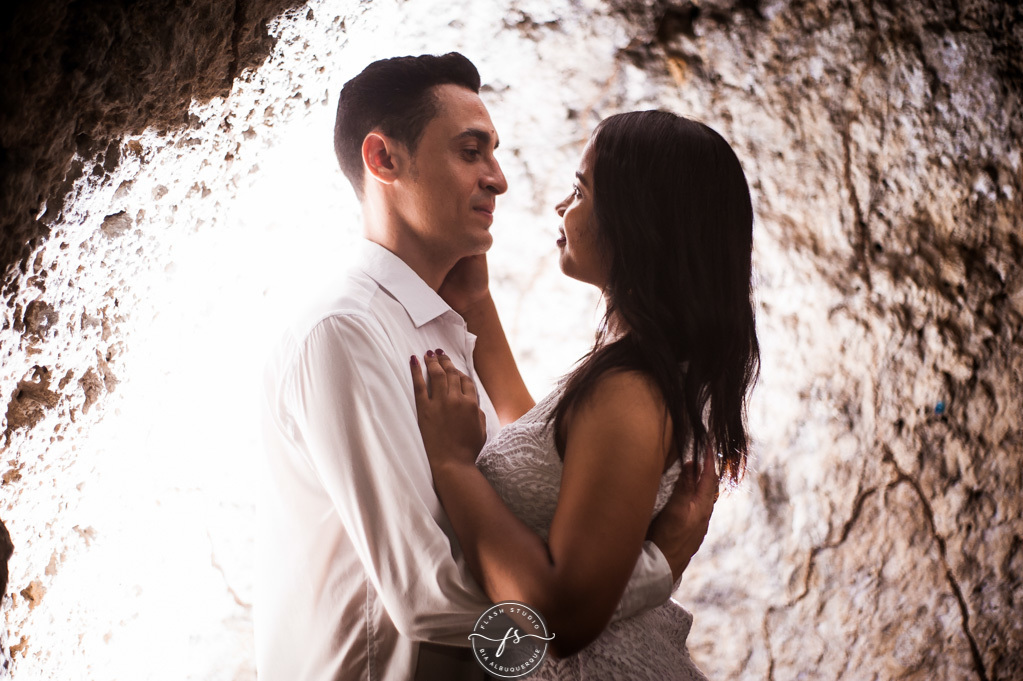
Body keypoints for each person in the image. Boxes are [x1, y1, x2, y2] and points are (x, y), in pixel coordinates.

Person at [256, 54, 717, 681]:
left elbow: (533, 487)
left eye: (494, 152)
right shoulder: (347, 331)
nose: (499, 179)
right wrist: (651, 569)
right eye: (471, 151)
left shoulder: (442, 323)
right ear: (383, 159)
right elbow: (429, 598)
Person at [410, 110, 759, 679]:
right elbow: (551, 468)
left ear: (638, 221)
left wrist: (453, 466)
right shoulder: (648, 368)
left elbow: (557, 619)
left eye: (580, 189)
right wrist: (477, 307)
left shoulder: (631, 390)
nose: (561, 206)